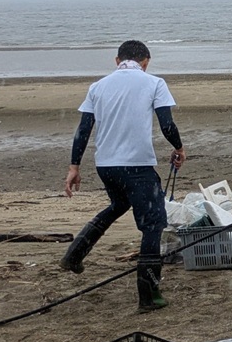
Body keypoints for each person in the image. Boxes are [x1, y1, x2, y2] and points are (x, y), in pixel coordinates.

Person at [61, 40, 186, 313]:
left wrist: (74, 167)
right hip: (137, 166)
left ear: (117, 61)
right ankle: (149, 293)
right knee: (153, 225)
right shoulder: (154, 83)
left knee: (119, 205)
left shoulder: (98, 86)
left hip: (106, 165)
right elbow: (167, 123)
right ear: (146, 62)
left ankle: (75, 254)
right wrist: (178, 147)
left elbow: (83, 130)